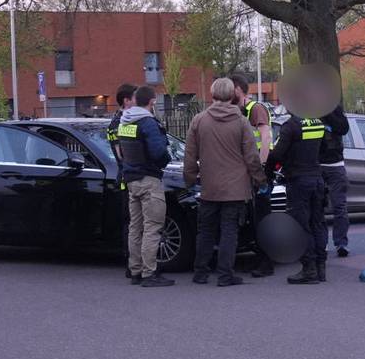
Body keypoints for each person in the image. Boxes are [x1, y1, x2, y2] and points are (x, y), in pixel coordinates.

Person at [184, 78, 266, 287]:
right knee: (230, 231)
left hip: (209, 187)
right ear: (232, 95)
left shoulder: (199, 120)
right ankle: (225, 274)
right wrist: (259, 179)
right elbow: (251, 156)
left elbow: (190, 155)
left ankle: (200, 272)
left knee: (206, 230)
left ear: (212, 95)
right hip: (236, 188)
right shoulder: (241, 122)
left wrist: (190, 179)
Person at [116, 86, 173, 287]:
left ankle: (136, 270)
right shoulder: (147, 122)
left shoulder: (125, 121)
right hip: (149, 179)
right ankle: (150, 273)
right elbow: (159, 152)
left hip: (132, 179)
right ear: (152, 102)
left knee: (135, 227)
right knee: (152, 227)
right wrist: (166, 161)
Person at [266, 112, 329, 284]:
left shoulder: (291, 126)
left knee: (301, 226)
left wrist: (267, 172)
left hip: (299, 180)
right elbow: (325, 149)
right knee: (317, 223)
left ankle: (309, 270)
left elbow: (277, 155)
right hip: (317, 179)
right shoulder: (317, 122)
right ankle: (321, 267)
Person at [231, 74, 275, 277]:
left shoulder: (255, 109)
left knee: (262, 217)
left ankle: (267, 262)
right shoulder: (239, 111)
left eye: (230, 89)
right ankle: (259, 259)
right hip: (249, 171)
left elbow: (265, 138)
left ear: (238, 90)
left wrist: (261, 168)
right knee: (253, 217)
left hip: (260, 171)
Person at [106, 83, 137, 278]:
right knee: (132, 223)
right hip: (128, 179)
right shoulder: (119, 123)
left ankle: (133, 263)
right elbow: (123, 155)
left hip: (128, 177)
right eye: (135, 98)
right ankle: (131, 263)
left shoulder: (120, 121)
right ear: (126, 100)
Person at [320, 104, 351, 257]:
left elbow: (343, 128)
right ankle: (322, 243)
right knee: (318, 207)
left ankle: (341, 243)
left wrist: (327, 111)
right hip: (317, 164)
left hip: (335, 164)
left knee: (339, 206)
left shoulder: (334, 108)